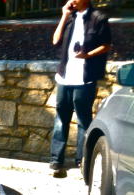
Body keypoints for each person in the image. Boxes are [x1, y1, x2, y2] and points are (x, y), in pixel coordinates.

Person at [50, 0, 111, 178]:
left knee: (84, 121)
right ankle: (56, 160)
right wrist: (64, 15)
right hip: (64, 77)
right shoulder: (69, 18)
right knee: (61, 119)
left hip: (85, 79)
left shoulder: (98, 18)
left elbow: (106, 45)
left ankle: (82, 160)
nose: (72, 0)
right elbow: (55, 41)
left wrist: (88, 55)